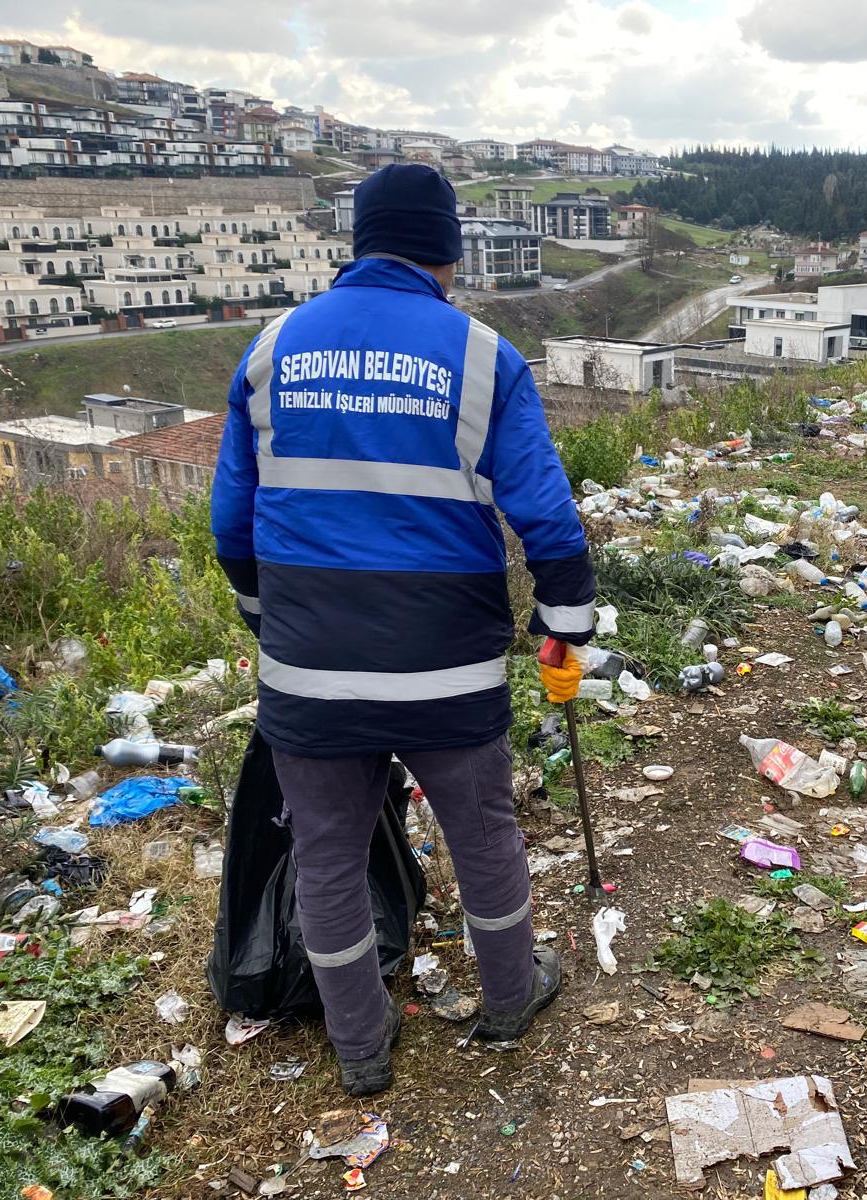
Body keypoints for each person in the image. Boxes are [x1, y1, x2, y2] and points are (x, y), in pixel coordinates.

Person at [211, 164, 594, 1096]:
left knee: (329, 857)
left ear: (357, 244)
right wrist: (564, 624)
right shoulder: (480, 356)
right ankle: (509, 999)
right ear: (450, 253)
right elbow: (546, 516)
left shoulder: (269, 353)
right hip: (447, 670)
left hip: (312, 675)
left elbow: (231, 522)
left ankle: (361, 1049)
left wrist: (273, 623)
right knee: (483, 836)